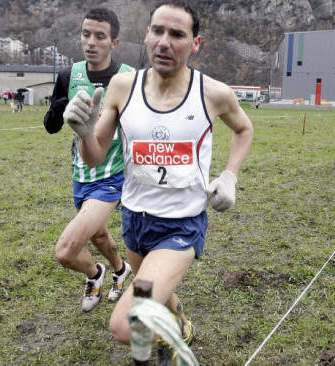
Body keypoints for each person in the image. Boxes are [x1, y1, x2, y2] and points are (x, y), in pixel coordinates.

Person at [64, 0, 254, 357]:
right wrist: (84, 134)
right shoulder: (123, 87)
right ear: (147, 35)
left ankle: (172, 337)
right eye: (157, 31)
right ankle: (180, 325)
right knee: (160, 293)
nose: (164, 42)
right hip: (135, 220)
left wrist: (230, 176)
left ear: (195, 43)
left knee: (124, 325)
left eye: (177, 34)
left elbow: (244, 129)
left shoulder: (213, 93)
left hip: (180, 227)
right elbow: (96, 156)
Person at [43, 7, 135, 313]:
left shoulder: (129, 78)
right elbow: (51, 125)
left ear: (114, 42)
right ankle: (120, 270)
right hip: (80, 173)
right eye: (86, 34)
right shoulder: (69, 75)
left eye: (100, 36)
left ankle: (94, 274)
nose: (91, 42)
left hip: (113, 176)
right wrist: (59, 110)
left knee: (66, 251)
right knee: (97, 233)